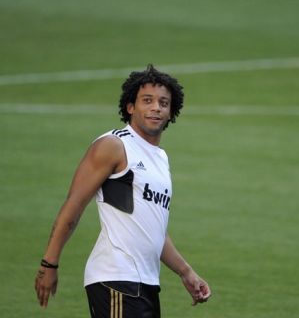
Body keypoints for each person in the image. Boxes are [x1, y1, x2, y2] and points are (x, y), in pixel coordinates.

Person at [34, 64, 211, 317]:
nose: (155, 108)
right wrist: (48, 264)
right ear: (130, 107)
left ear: (171, 112)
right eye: (147, 101)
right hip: (115, 279)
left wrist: (186, 272)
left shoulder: (160, 159)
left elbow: (152, 229)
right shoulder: (114, 145)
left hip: (146, 284)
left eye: (163, 103)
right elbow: (73, 206)